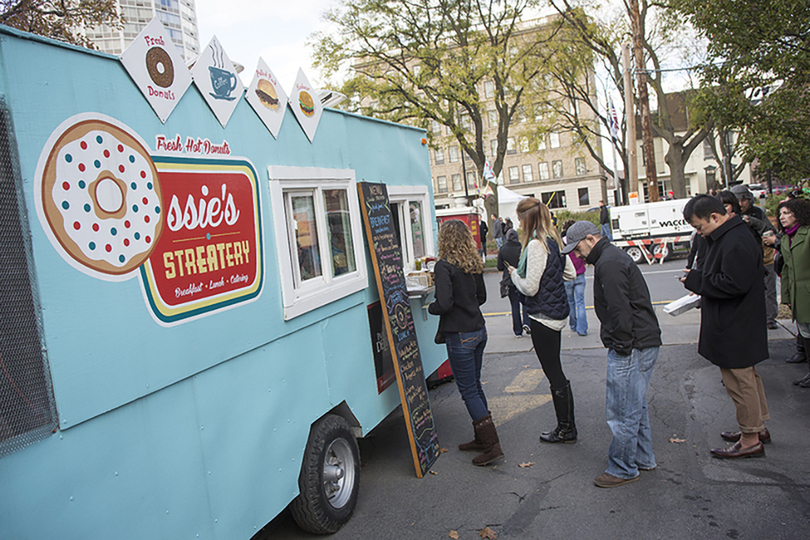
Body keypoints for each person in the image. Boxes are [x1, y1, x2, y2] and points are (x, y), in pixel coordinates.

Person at [562, 220, 661, 488]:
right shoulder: (612, 257)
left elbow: (620, 311)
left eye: (578, 247)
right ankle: (642, 458)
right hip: (642, 340)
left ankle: (622, 468)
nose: (577, 254)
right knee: (635, 405)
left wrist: (622, 346)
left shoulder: (608, 263)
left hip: (633, 344)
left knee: (622, 410)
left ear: (591, 239)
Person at [681, 195, 770, 459]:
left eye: (699, 226)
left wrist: (697, 281)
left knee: (740, 382)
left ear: (715, 217)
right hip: (737, 322)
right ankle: (756, 427)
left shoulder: (735, 240)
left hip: (735, 325)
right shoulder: (731, 236)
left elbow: (733, 283)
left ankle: (751, 437)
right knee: (748, 379)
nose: (700, 232)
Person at [428, 220, 504, 466]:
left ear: (444, 240)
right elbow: (481, 297)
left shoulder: (443, 266)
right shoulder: (473, 263)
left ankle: (492, 445)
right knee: (475, 386)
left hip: (460, 334)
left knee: (469, 390)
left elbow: (444, 304)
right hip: (479, 330)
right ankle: (481, 438)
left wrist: (430, 308)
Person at [507, 198, 578, 444]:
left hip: (542, 317)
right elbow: (570, 273)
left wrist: (514, 275)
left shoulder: (536, 246)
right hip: (556, 313)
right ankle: (567, 427)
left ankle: (566, 429)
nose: (518, 224)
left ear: (527, 220)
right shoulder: (553, 239)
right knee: (556, 370)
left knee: (553, 373)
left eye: (519, 219)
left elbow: (529, 287)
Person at [730, 185, 779, 329]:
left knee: (769, 290)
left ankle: (770, 319)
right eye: (737, 201)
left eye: (743, 200)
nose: (740, 204)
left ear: (749, 199)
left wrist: (753, 222)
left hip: (764, 257)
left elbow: (771, 231)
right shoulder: (732, 215)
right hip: (743, 260)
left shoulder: (757, 213)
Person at [777, 197, 810, 387]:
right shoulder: (786, 238)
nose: (782, 217)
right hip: (799, 295)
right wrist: (787, 296)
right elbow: (787, 270)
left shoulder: (807, 234)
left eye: (787, 213)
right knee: (805, 333)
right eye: (781, 213)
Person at [497, 228, 531, 337]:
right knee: (525, 303)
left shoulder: (503, 249)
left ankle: (517, 330)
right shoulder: (522, 247)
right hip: (522, 278)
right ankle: (527, 322)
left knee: (514, 305)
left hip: (510, 280)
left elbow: (499, 267)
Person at [561, 220, 588, 336]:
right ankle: (582, 329)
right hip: (580, 273)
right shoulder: (580, 241)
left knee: (570, 302)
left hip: (568, 276)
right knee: (580, 302)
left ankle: (573, 325)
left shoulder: (563, 243)